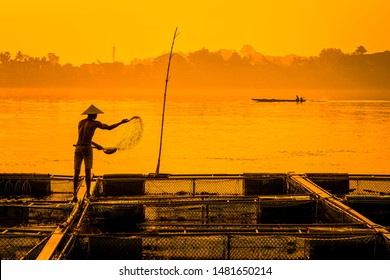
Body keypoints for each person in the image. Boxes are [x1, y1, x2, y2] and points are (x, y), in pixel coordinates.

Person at [72, 104, 130, 202]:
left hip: (78, 148)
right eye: (96, 114)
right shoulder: (95, 123)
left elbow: (83, 138)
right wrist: (121, 122)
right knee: (87, 171)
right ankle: (88, 194)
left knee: (76, 171)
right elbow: (109, 128)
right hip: (86, 149)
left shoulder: (80, 122)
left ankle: (74, 195)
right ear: (93, 114)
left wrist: (97, 145)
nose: (97, 116)